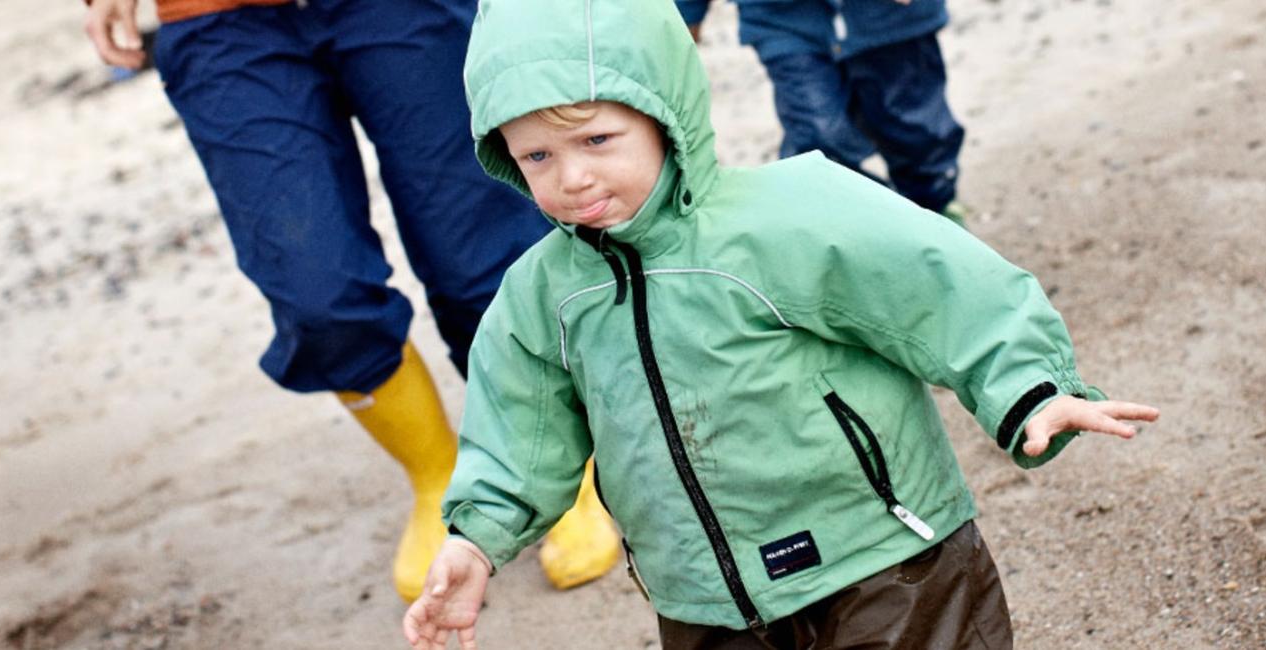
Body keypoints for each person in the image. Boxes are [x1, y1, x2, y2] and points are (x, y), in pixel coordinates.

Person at [403, 0, 1158, 647]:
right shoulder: (542, 298)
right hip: (704, 602)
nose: (572, 177)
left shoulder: (787, 215)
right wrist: (477, 542)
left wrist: (1031, 385)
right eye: (536, 155)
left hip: (885, 560)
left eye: (598, 140)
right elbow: (518, 432)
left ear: (665, 114)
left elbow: (941, 284)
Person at [81, 0, 621, 601]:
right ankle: (436, 479)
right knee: (318, 301)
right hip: (217, 20)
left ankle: (552, 474)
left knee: (483, 264)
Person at [676, 0, 968, 224]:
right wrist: (685, 15)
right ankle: (871, 223)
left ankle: (935, 205)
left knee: (915, 130)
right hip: (785, 20)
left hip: (887, 20)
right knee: (817, 134)